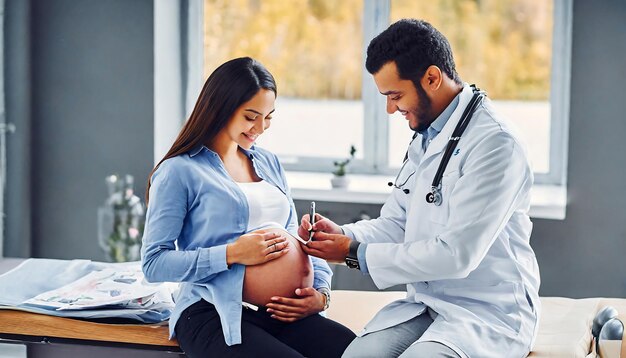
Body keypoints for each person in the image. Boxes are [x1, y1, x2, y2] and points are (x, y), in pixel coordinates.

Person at [298, 19, 540, 358]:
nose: (390, 108)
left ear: (431, 77)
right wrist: (340, 233)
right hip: (427, 304)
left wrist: (353, 253)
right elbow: (397, 224)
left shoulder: (496, 144)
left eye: (395, 95)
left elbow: (457, 255)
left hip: (488, 310)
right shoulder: (427, 137)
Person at [141, 57, 355, 358]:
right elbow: (154, 263)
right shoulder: (179, 171)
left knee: (363, 351)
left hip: (281, 314)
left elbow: (299, 238)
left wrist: (321, 293)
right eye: (250, 116)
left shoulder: (268, 161)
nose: (260, 128)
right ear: (220, 108)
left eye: (268, 117)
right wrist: (232, 254)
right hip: (213, 312)